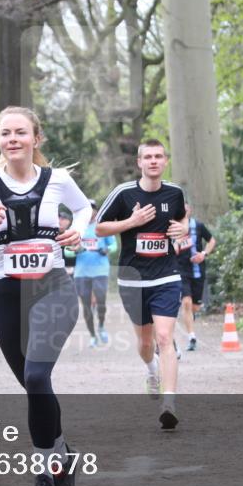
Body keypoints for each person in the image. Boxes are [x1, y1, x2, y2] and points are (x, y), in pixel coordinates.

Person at [0, 106, 92, 486]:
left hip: (53, 289)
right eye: (6, 133)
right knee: (35, 385)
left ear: (36, 139)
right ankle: (62, 454)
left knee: (35, 373)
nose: (13, 139)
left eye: (21, 132)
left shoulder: (58, 180)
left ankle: (43, 474)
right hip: (8, 295)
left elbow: (84, 209)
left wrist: (78, 230)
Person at [96, 139, 187, 431]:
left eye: (158, 156)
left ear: (165, 161)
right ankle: (151, 370)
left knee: (164, 338)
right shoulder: (123, 194)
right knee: (146, 343)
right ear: (139, 162)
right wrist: (131, 222)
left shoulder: (174, 193)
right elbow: (99, 227)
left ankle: (169, 404)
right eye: (147, 157)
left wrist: (183, 229)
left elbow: (182, 220)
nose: (153, 161)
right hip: (133, 278)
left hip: (166, 275)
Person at [72, 200, 115, 348]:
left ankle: (101, 326)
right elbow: (67, 250)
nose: (90, 211)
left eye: (93, 209)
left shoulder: (102, 226)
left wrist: (106, 250)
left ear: (96, 211)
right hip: (81, 272)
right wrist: (76, 250)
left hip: (100, 270)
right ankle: (92, 335)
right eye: (87, 209)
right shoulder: (77, 227)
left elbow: (114, 245)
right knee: (86, 306)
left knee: (101, 300)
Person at [174, 204, 215, 351]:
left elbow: (212, 241)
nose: (183, 212)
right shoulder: (173, 227)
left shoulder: (198, 226)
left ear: (190, 210)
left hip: (197, 270)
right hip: (180, 270)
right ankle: (192, 337)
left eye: (185, 209)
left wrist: (203, 254)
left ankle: (190, 316)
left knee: (195, 307)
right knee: (186, 303)